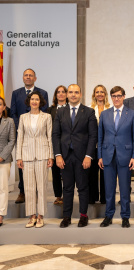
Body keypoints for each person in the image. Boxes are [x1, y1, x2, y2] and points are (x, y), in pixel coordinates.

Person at [52, 84, 98, 228]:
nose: (73, 95)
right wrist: (58, 155)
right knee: (67, 188)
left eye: (76, 92)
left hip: (82, 156)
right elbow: (56, 134)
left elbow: (93, 136)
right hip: (65, 156)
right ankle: (67, 217)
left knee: (83, 187)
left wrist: (89, 156)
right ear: (67, 95)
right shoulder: (60, 112)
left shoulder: (89, 112)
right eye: (70, 92)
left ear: (80, 94)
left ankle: (83, 216)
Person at [98, 86, 134, 228]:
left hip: (125, 156)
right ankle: (108, 216)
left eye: (119, 96)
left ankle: (125, 216)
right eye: (114, 96)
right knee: (109, 189)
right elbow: (100, 136)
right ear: (111, 97)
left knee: (124, 189)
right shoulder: (104, 114)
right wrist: (100, 156)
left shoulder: (132, 114)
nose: (116, 98)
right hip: (107, 155)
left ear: (123, 96)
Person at [10, 68, 49, 204]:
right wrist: (21, 126)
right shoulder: (16, 93)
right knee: (23, 163)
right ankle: (22, 191)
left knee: (39, 165)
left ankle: (37, 192)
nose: (28, 77)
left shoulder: (43, 93)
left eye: (30, 75)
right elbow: (13, 113)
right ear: (23, 78)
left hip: (38, 135)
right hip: (23, 134)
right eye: (26, 75)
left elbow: (44, 112)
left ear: (35, 78)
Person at [16, 92, 53, 228]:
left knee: (42, 186)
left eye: (37, 99)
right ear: (29, 101)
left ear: (40, 102)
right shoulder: (23, 117)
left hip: (43, 155)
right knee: (29, 187)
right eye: (32, 99)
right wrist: (19, 156)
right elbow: (20, 137)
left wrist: (51, 156)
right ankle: (32, 216)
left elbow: (49, 136)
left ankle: (41, 216)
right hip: (26, 155)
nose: (34, 101)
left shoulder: (47, 117)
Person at [88, 84, 110, 204]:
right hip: (93, 146)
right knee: (92, 173)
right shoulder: (89, 109)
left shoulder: (110, 108)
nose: (100, 94)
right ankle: (92, 197)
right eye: (97, 92)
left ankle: (104, 198)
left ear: (105, 94)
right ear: (94, 95)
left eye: (102, 92)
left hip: (107, 146)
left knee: (105, 173)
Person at [47, 85, 68, 205]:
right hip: (54, 143)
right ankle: (58, 196)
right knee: (55, 172)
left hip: (67, 144)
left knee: (67, 172)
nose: (60, 94)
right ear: (55, 95)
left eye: (63, 92)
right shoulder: (50, 110)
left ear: (66, 94)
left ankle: (67, 194)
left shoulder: (71, 108)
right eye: (58, 92)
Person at [0, 97, 16, 226]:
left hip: (3, 160)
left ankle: (0, 214)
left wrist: (2, 156)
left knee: (2, 188)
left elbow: (12, 140)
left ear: (4, 107)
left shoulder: (9, 121)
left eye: (0, 104)